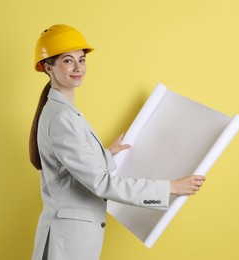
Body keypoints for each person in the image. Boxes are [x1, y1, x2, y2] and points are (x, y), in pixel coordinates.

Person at [29, 24, 206, 260]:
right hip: (68, 242)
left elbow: (70, 166)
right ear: (48, 67)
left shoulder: (63, 111)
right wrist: (170, 188)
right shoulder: (61, 117)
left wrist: (104, 154)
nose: (78, 68)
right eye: (68, 61)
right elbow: (101, 183)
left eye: (81, 60)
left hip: (70, 239)